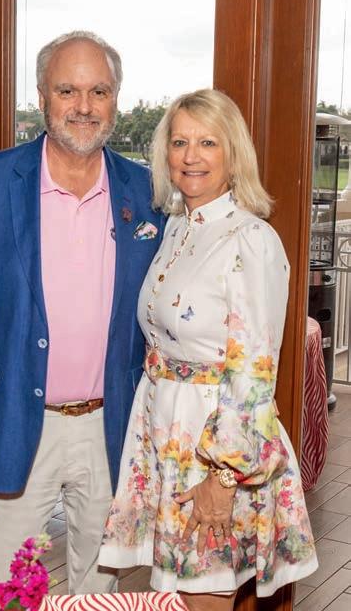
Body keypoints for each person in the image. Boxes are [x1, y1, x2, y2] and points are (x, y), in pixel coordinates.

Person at [0, 30, 164, 592]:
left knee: (100, 596)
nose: (84, 106)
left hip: (113, 430)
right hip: (7, 428)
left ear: (116, 99)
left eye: (99, 91)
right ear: (41, 98)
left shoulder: (149, 192)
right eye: (67, 90)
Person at [98, 89, 318, 610]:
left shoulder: (250, 239)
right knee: (180, 595)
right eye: (179, 142)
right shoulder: (175, 227)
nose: (191, 156)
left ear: (233, 154)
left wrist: (224, 477)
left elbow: (254, 373)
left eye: (208, 142)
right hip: (165, 435)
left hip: (217, 449)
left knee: (205, 597)